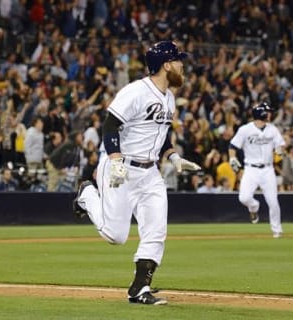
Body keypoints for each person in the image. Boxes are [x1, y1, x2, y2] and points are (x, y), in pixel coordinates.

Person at [73, 41, 200, 305]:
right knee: (114, 235)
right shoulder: (136, 91)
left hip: (150, 172)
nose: (182, 65)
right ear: (166, 65)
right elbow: (110, 125)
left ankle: (140, 288)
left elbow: (161, 136)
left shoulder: (170, 98)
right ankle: (87, 195)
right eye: (178, 61)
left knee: (155, 231)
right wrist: (116, 159)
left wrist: (173, 156)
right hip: (122, 167)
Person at [228, 102, 285, 238]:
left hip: (267, 169)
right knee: (244, 197)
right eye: (268, 111)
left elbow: (281, 146)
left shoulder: (272, 129)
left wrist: (280, 150)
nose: (270, 114)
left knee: (273, 201)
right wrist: (232, 158)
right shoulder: (245, 129)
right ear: (262, 113)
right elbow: (232, 146)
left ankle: (277, 230)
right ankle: (254, 208)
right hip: (251, 169)